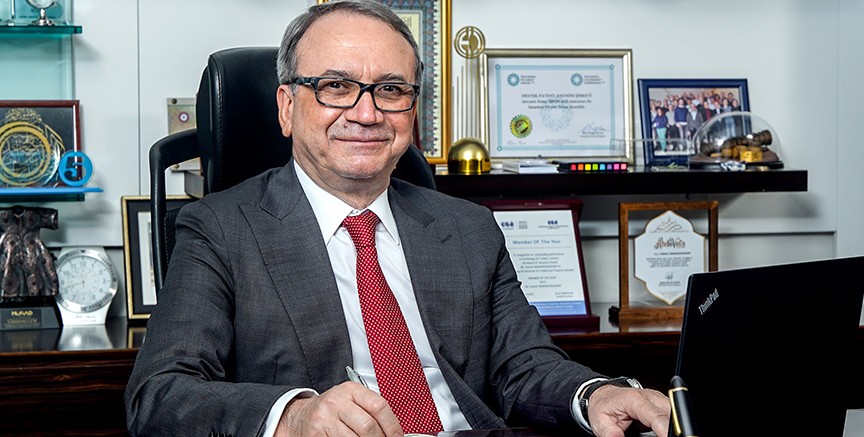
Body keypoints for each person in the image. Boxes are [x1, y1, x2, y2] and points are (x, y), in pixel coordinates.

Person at [124, 1, 671, 436]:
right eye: (336, 86)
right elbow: (161, 394)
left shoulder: (468, 227)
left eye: (390, 90)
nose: (366, 114)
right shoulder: (220, 228)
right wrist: (291, 416)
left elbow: (523, 365)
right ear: (287, 107)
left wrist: (595, 395)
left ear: (412, 109)